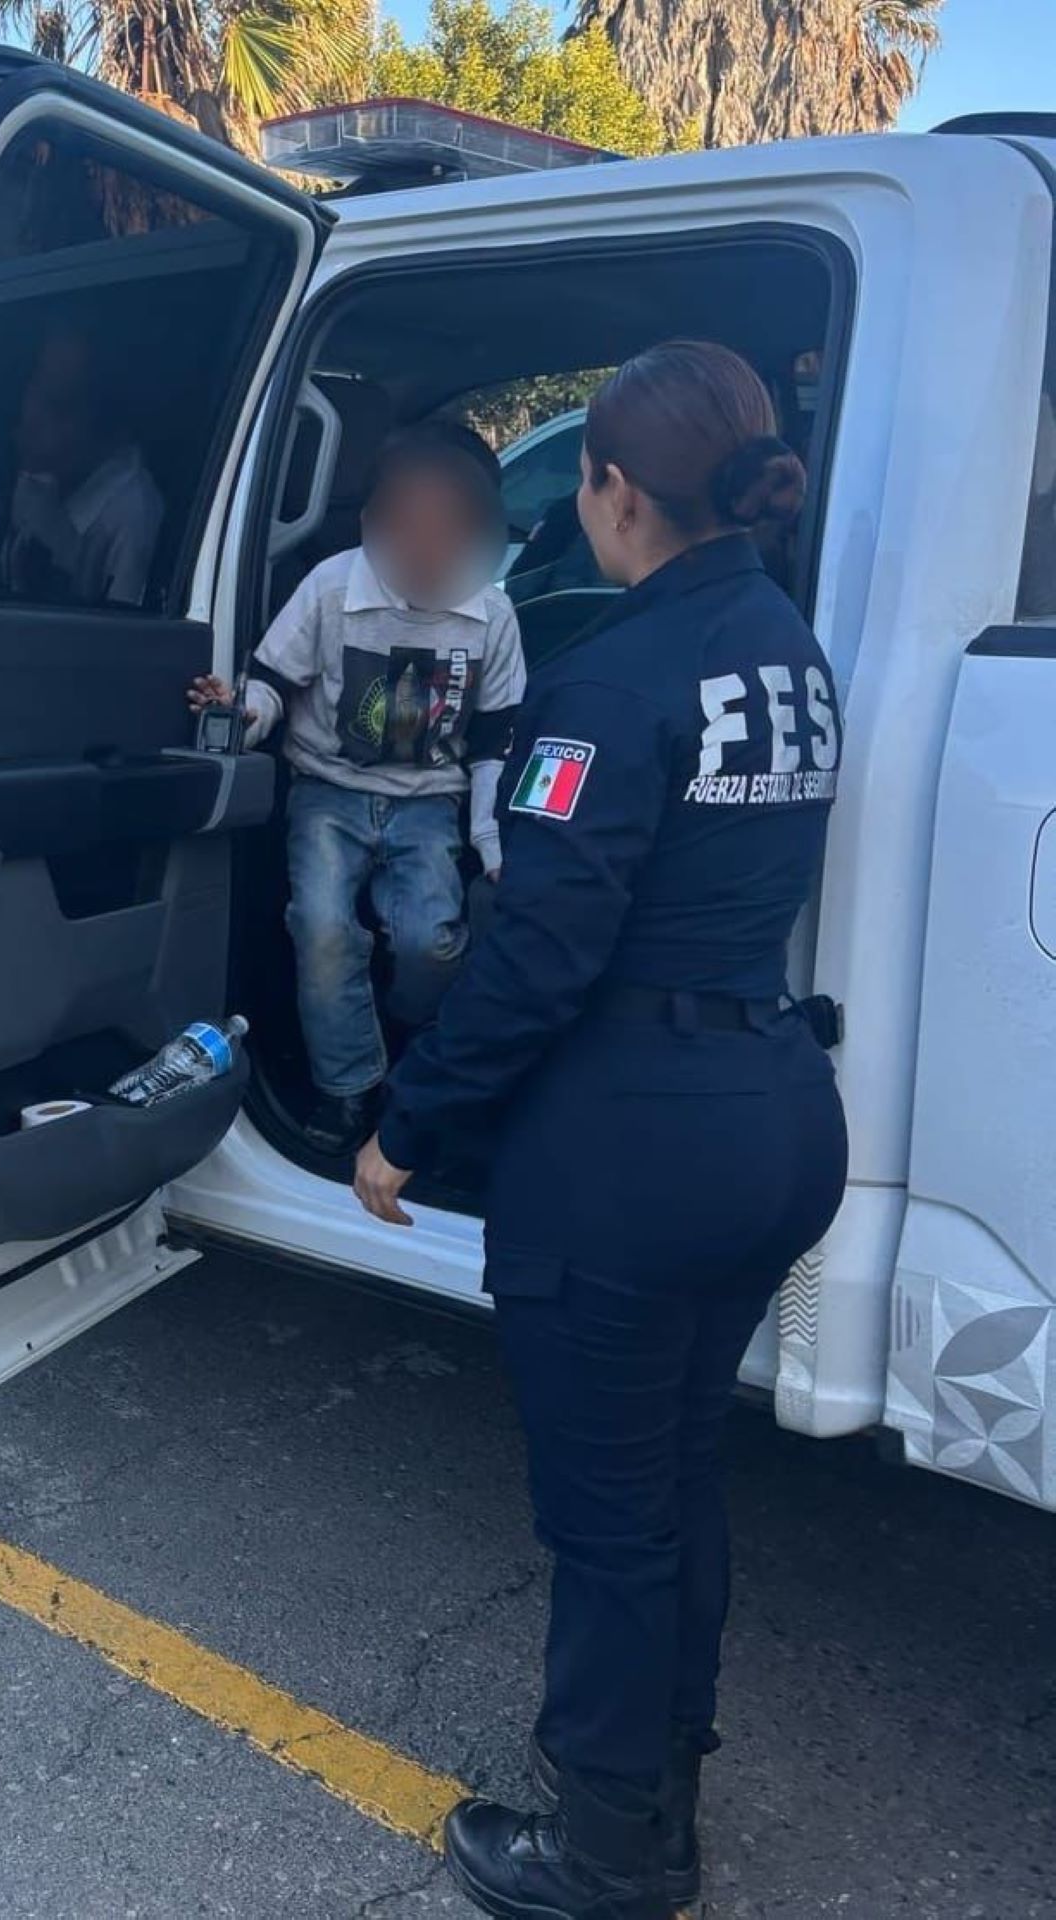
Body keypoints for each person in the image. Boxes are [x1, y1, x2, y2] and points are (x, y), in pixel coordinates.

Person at [351, 342, 849, 1920]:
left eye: (586, 481)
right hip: (769, 1114)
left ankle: (612, 1850)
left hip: (634, 1152)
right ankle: (666, 1765)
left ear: (614, 492)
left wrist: (407, 1130)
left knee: (611, 1520)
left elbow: (536, 958)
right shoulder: (784, 643)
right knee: (675, 1476)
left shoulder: (614, 680)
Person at [192, 423, 526, 1157]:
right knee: (320, 929)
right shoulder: (332, 587)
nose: (427, 552)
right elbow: (276, 684)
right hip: (328, 792)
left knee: (430, 942)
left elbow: (495, 741)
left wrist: (492, 842)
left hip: (429, 799)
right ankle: (348, 1088)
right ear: (378, 523)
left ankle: (412, 1038)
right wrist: (243, 714)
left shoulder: (491, 617)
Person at [1, 324, 165, 608]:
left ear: (107, 428)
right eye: (34, 391)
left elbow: (124, 639)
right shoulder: (35, 476)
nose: (33, 418)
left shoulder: (133, 515)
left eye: (58, 408)